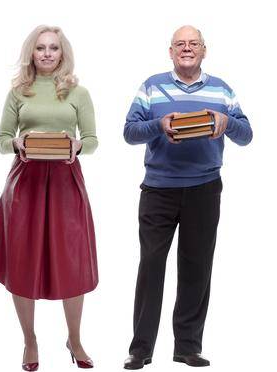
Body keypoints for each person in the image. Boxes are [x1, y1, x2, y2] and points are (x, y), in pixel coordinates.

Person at [119, 25, 252, 370]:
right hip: (158, 189)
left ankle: (187, 347)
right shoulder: (151, 86)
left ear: (204, 50)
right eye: (180, 44)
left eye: (193, 43)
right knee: (151, 267)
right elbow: (130, 132)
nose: (187, 48)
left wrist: (227, 121)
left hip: (204, 189)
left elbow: (247, 134)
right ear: (171, 51)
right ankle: (141, 349)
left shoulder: (222, 89)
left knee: (196, 268)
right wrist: (159, 125)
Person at [0, 25, 99, 372]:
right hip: (26, 185)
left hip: (65, 182)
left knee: (71, 260)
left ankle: (74, 338)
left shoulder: (78, 93)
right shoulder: (19, 91)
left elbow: (92, 140)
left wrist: (78, 145)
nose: (47, 54)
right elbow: (2, 139)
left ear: (62, 53)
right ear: (31, 53)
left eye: (53, 48)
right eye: (40, 48)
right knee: (23, 261)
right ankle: (29, 340)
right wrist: (17, 143)